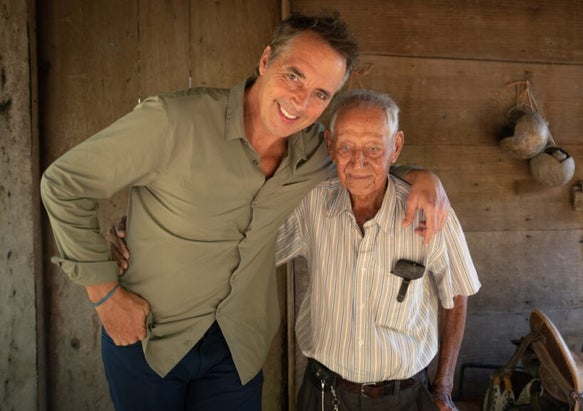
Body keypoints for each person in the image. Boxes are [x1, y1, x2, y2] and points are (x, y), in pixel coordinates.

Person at [40, 13, 450, 411]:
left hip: (235, 350)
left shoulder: (314, 152)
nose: (301, 101)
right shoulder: (173, 121)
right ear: (266, 59)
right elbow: (63, 184)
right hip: (149, 338)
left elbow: (364, 165)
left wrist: (423, 176)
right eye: (294, 75)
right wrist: (106, 296)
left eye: (321, 94)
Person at [275, 89, 481, 410]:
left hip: (404, 398)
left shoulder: (431, 210)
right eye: (346, 147)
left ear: (395, 147)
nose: (358, 162)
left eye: (373, 148)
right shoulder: (311, 204)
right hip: (323, 394)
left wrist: (442, 388)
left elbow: (456, 296)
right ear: (330, 144)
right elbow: (256, 247)